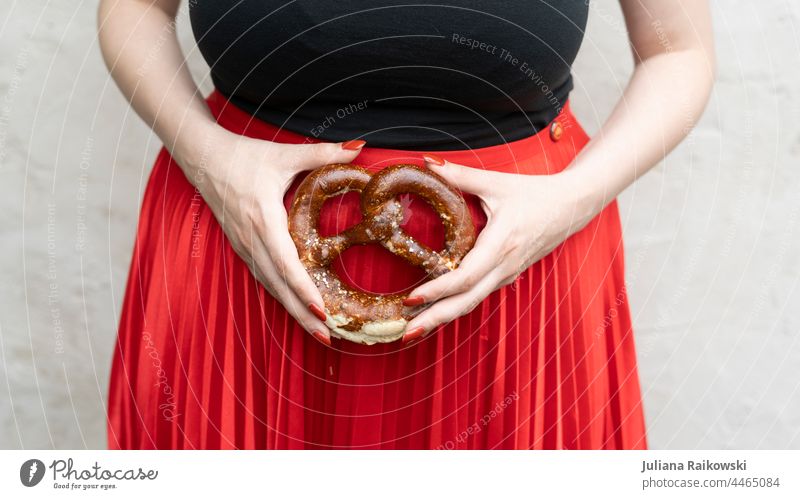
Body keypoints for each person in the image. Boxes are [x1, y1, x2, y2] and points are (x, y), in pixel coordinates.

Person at [99, 0, 714, 449]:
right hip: (240, 246)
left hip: (521, 266)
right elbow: (132, 10)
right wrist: (212, 161)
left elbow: (678, 51)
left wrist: (571, 199)